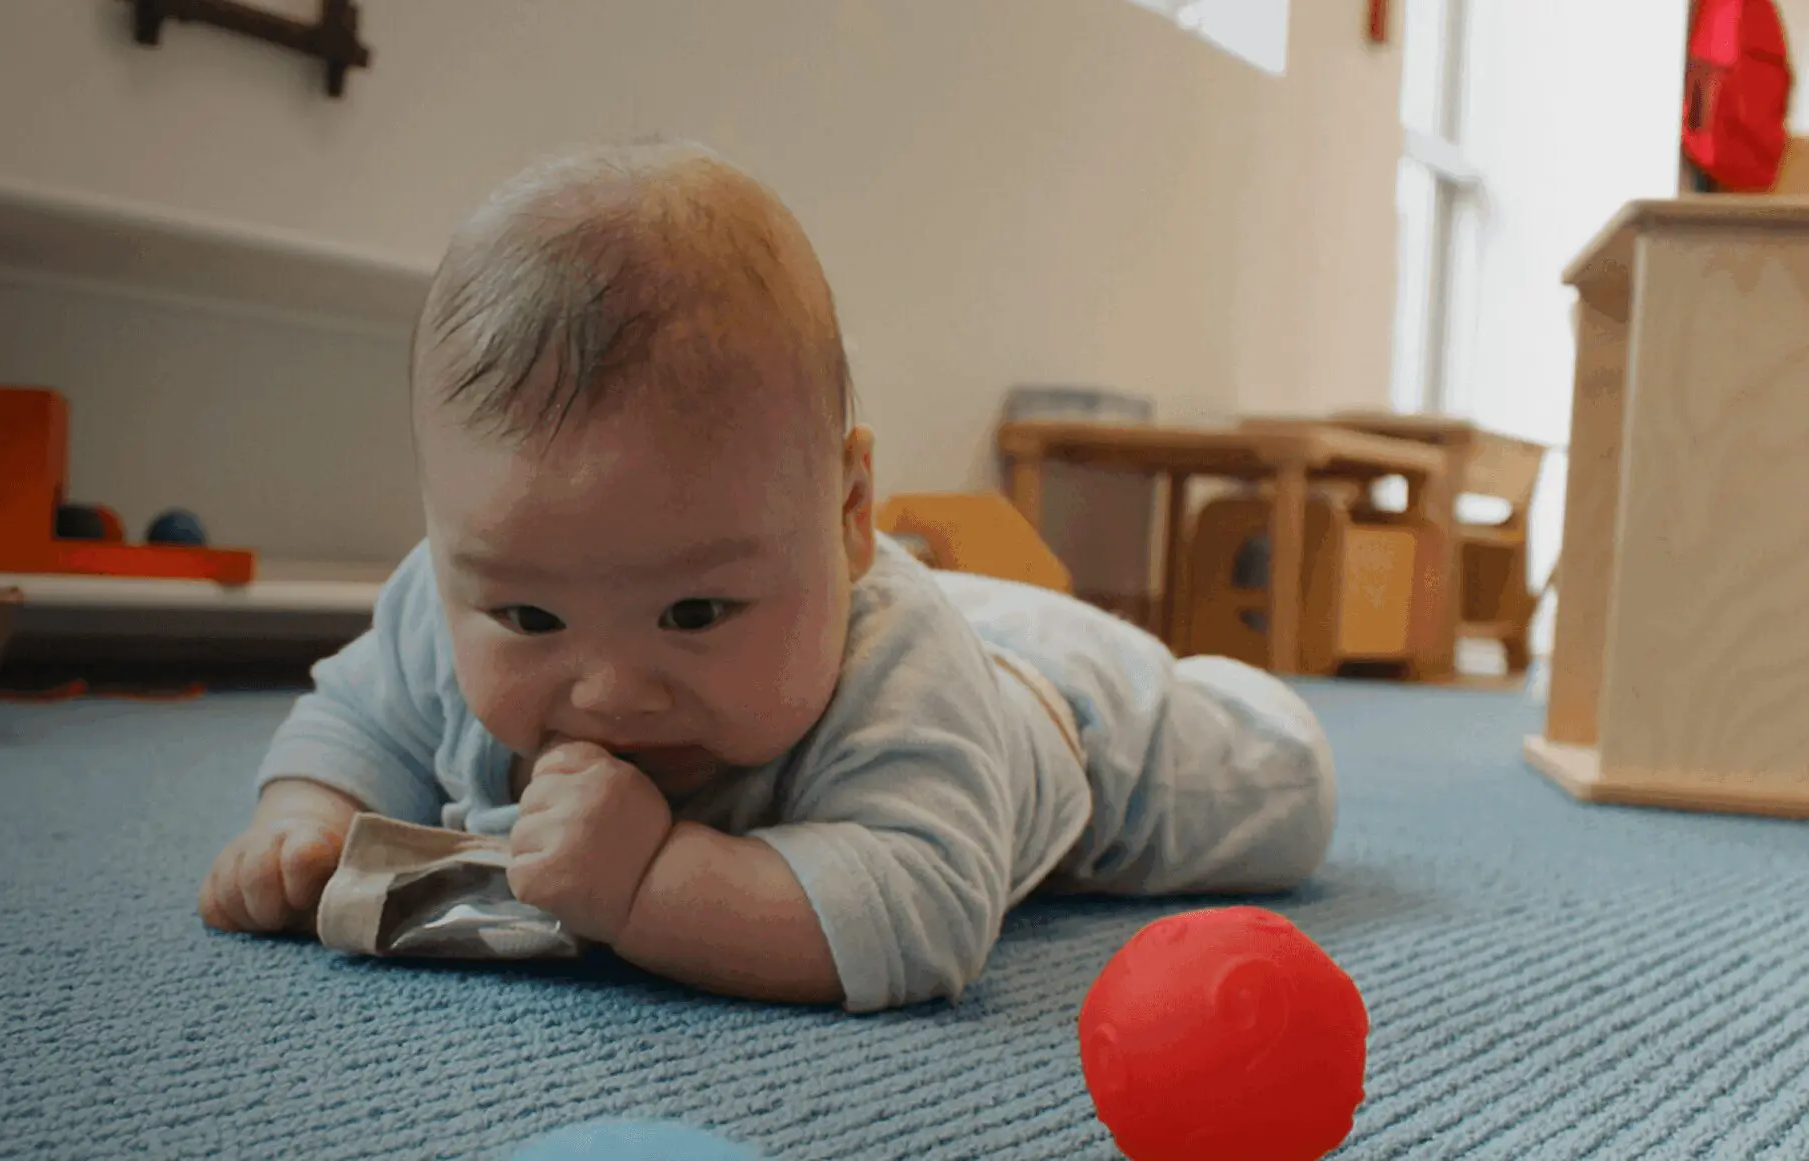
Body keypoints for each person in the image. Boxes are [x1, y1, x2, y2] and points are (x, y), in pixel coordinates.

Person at [197, 139, 1335, 1012]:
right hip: (864, 606)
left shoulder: (900, 680)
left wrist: (647, 888)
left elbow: (922, 913)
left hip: (1061, 724)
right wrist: (304, 819)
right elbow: (363, 715)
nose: (610, 695)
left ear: (847, 513)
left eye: (693, 611)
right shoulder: (455, 591)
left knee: (1286, 795)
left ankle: (1193, 678)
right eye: (530, 617)